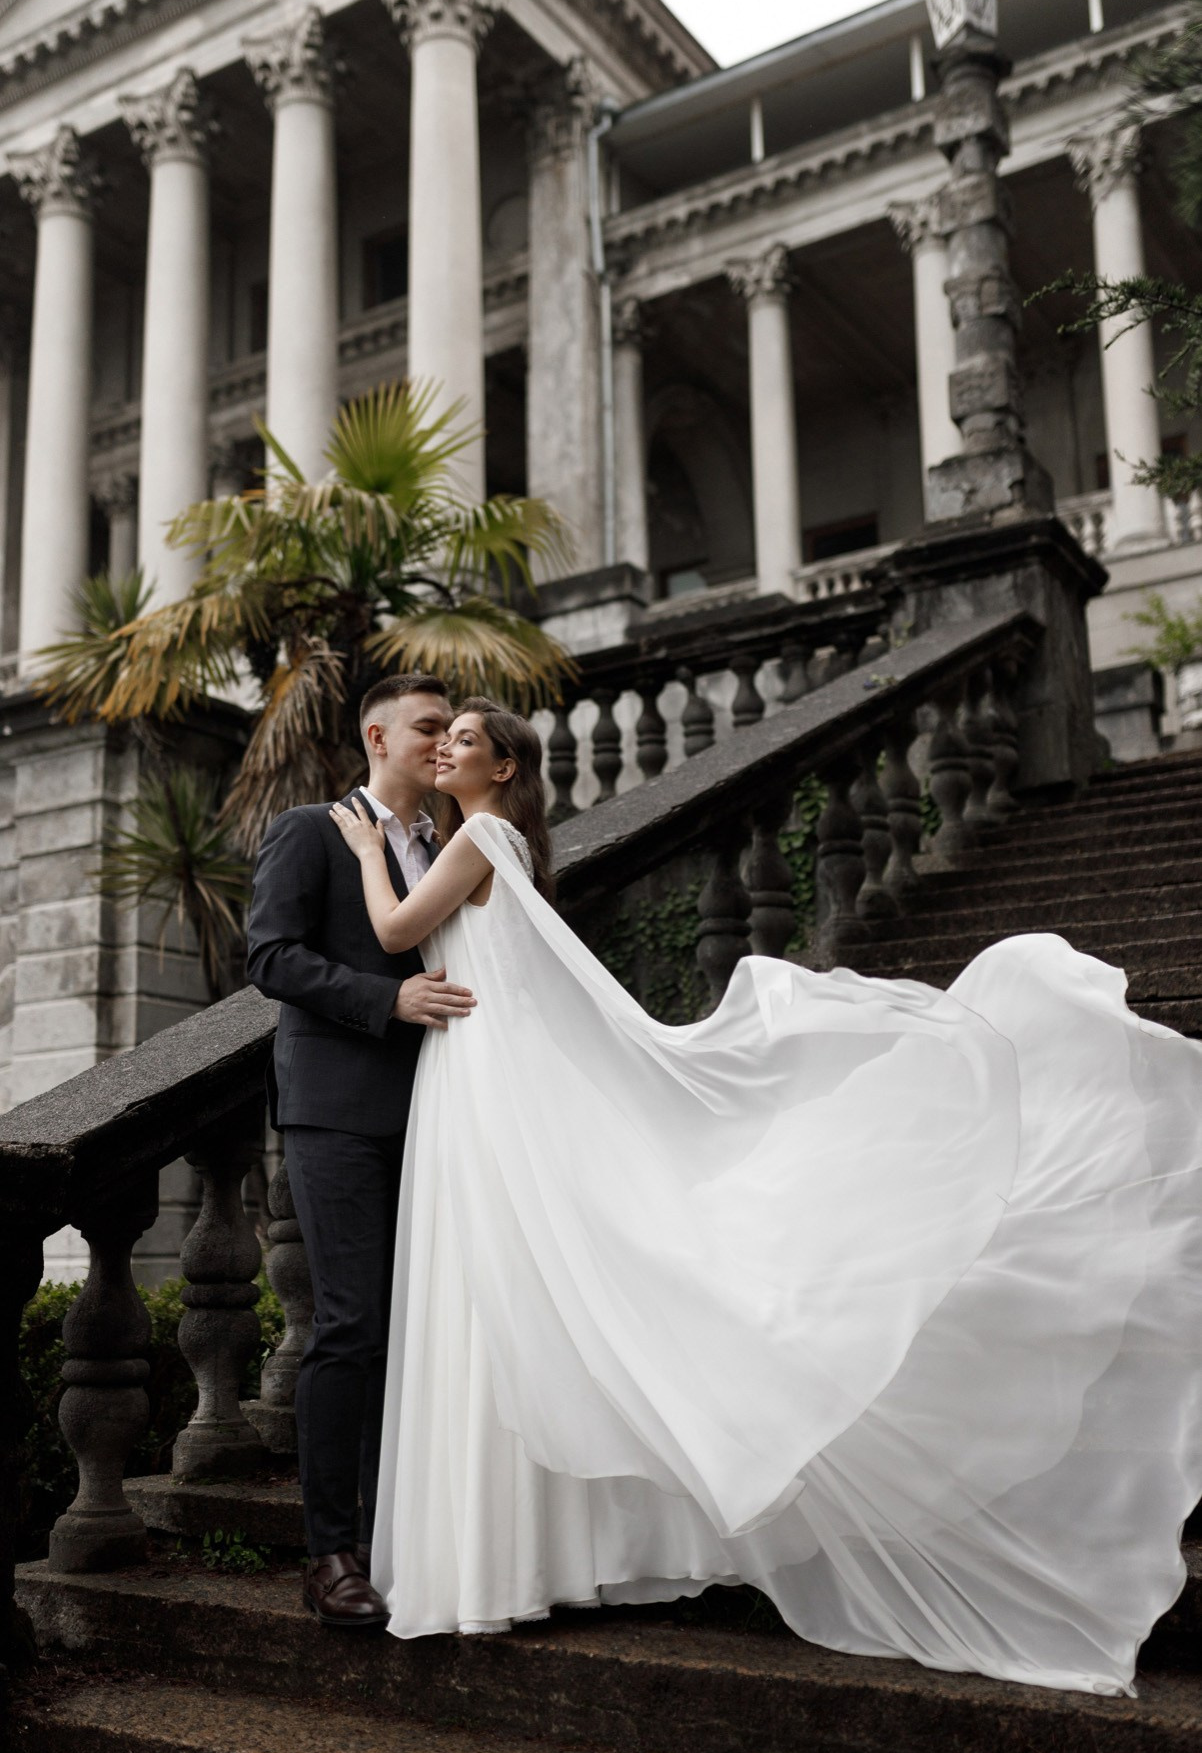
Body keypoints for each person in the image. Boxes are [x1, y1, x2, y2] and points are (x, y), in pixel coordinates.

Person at [328, 697, 1202, 1696]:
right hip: (474, 1071)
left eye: (466, 740)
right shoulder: (494, 840)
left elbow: (398, 925)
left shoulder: (479, 834)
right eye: (440, 735)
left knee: (495, 1295)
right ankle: (520, 1555)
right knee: (506, 1298)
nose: (446, 746)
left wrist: (364, 845)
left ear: (500, 771)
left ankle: (493, 1557)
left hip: (476, 1076)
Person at [245, 673, 478, 1627]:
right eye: (426, 727)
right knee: (350, 1323)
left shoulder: (452, 844)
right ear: (376, 736)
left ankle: (402, 1533)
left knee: (424, 1327)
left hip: (439, 1110)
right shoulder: (312, 828)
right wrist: (388, 1000)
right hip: (337, 1110)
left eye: (449, 730)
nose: (440, 742)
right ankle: (330, 1552)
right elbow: (269, 956)